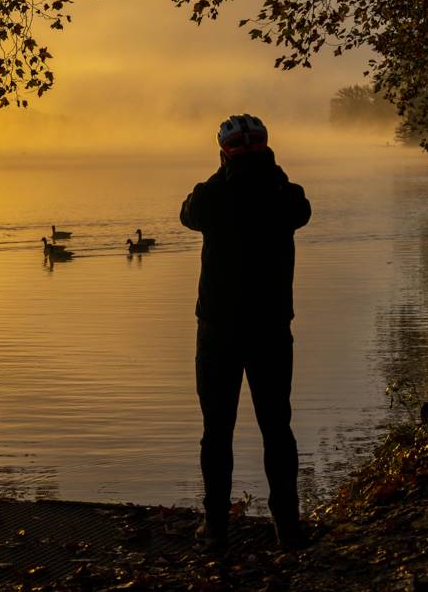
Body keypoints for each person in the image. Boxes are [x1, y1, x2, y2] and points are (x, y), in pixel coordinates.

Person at [179, 114, 311, 550]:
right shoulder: (285, 195)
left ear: (224, 153)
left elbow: (188, 213)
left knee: (217, 429)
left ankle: (216, 525)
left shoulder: (212, 195)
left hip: (218, 329)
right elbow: (299, 209)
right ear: (266, 149)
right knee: (277, 426)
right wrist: (268, 169)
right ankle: (287, 525)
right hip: (272, 327)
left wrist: (228, 170)